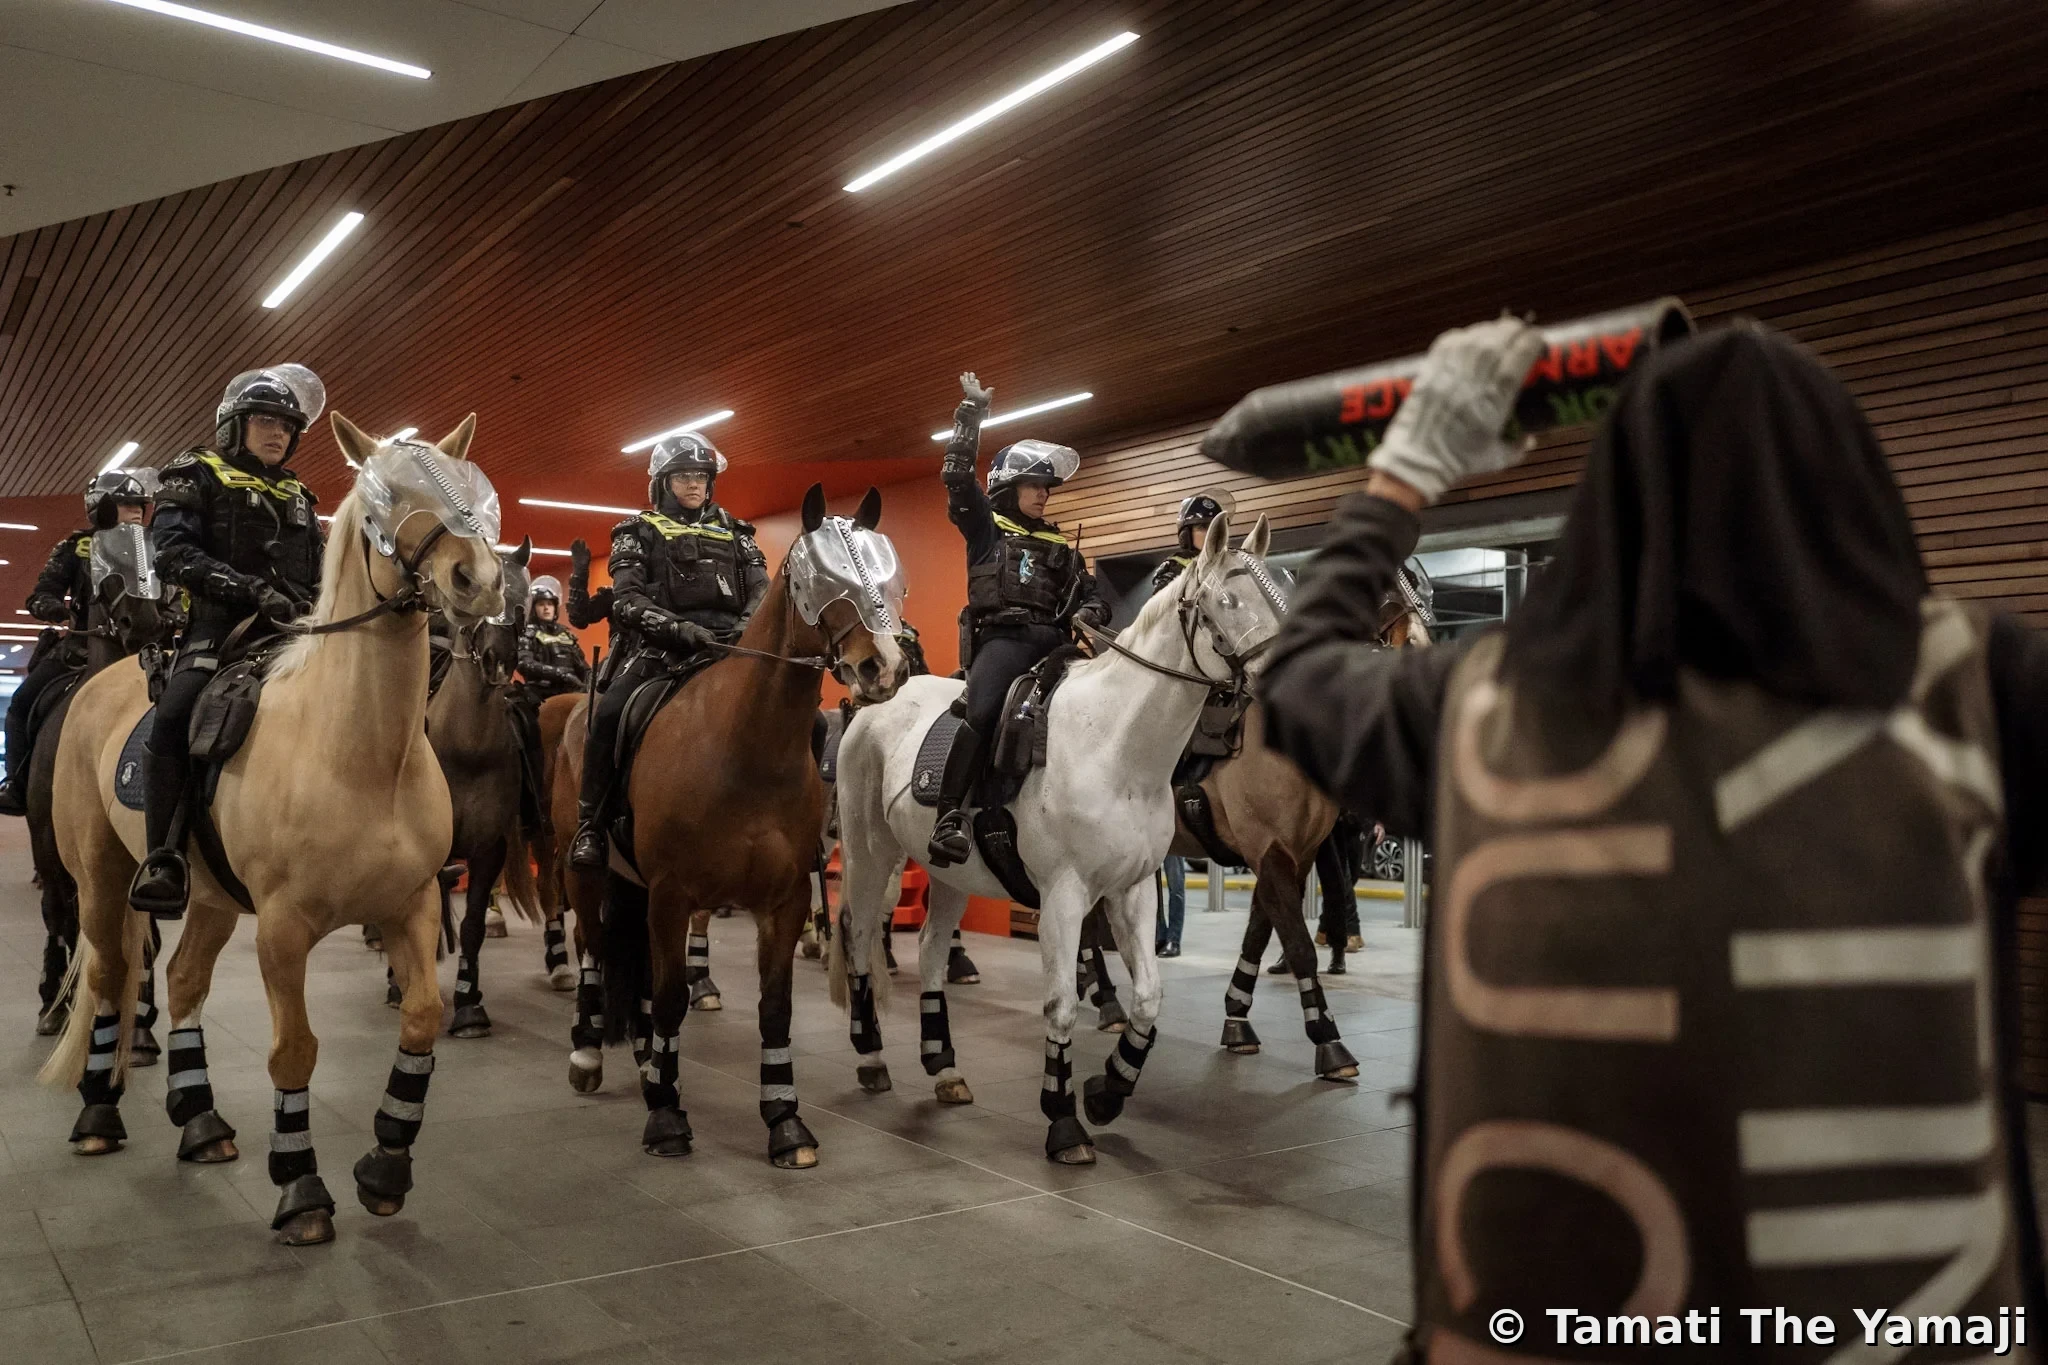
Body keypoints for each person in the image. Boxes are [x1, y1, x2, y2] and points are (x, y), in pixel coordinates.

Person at [1260, 318, 2048, 1338]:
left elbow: (1295, 675)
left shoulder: (1479, 709)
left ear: (1609, 511)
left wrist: (1406, 472)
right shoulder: (1983, 692)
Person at [129, 366, 325, 918]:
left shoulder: (300, 493)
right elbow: (170, 552)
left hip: (296, 631)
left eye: (286, 426)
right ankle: (163, 856)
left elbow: (323, 568)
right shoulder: (193, 472)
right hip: (219, 628)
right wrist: (249, 590)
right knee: (175, 713)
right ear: (235, 425)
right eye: (265, 420)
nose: (277, 433)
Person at [927, 372, 1110, 868]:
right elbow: (957, 478)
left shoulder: (1059, 542)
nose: (1044, 494)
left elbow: (1092, 596)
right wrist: (970, 417)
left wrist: (1091, 612)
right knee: (983, 711)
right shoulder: (984, 526)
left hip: (1056, 645)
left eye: (1047, 487)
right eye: (1034, 485)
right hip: (1004, 642)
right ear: (1009, 488)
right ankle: (948, 816)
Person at [569, 433, 767, 868]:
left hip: (730, 648)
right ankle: (591, 826)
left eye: (700, 476)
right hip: (661, 651)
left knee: (804, 721)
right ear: (663, 482)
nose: (694, 484)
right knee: (607, 715)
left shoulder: (737, 532)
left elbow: (761, 590)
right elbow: (626, 600)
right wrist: (680, 629)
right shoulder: (635, 531)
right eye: (683, 477)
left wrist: (743, 628)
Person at [0, 471, 155, 814]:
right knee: (21, 705)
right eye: (126, 503)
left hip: (148, 650)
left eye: (139, 504)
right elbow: (41, 593)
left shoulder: (156, 549)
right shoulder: (75, 546)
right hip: (81, 649)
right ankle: (17, 783)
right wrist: (50, 606)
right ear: (101, 508)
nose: (136, 511)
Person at [516, 575, 588, 698]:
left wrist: (591, 678)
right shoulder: (527, 633)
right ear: (533, 608)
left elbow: (582, 665)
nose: (546, 608)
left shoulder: (566, 634)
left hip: (571, 690)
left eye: (550, 604)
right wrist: (559, 673)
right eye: (541, 604)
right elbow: (524, 663)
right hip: (539, 694)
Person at [1150, 489, 1231, 593]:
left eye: (1216, 527)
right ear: (1186, 535)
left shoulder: (1231, 563)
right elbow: (1164, 607)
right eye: (1202, 527)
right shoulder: (1174, 567)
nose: (1212, 533)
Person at [1154, 854, 1185, 957]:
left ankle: (1174, 939)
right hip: (1152, 839)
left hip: (1173, 841)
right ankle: (1160, 935)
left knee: (1175, 886)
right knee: (1153, 889)